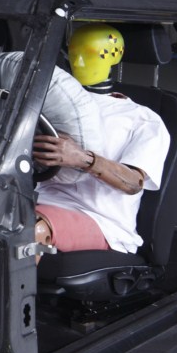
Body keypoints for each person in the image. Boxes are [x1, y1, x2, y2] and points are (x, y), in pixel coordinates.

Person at [31, 24, 169, 254]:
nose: (79, 60)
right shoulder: (51, 103)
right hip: (40, 200)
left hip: (100, 220)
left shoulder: (143, 119)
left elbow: (133, 183)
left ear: (115, 56)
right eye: (74, 52)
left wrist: (83, 159)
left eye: (91, 53)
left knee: (27, 231)